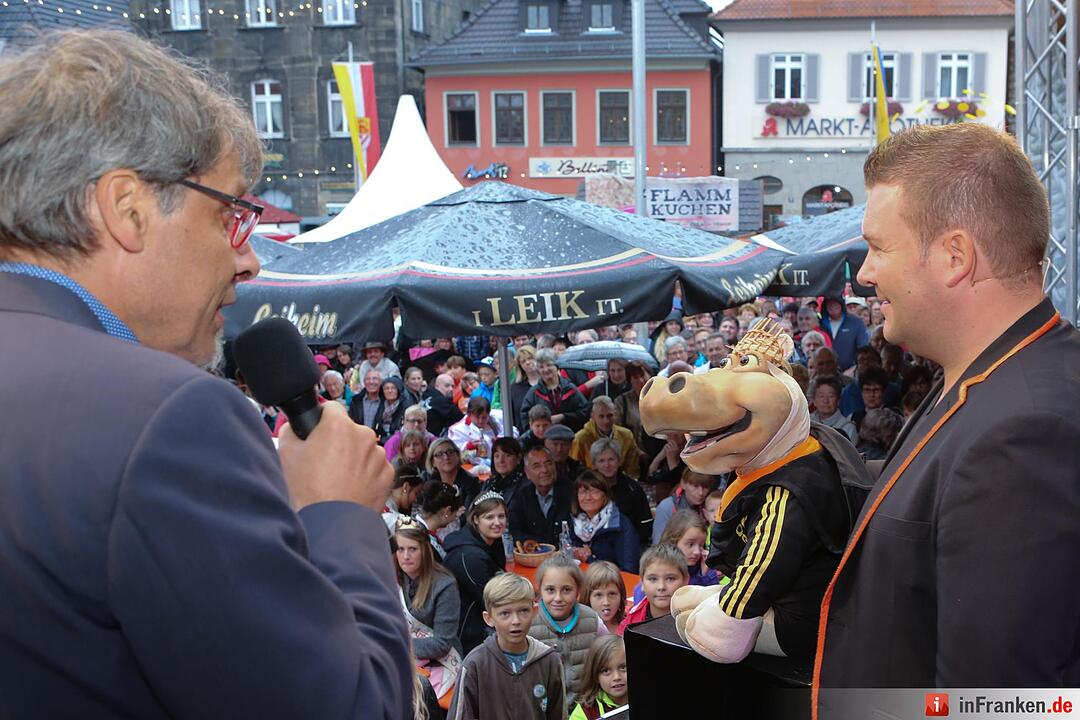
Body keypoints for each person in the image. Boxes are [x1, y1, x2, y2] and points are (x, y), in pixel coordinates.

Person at [0, 29, 409, 718]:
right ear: (127, 208)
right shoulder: (166, 417)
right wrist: (337, 514)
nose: (247, 262)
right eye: (228, 215)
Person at [816, 123, 1080, 704]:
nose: (864, 273)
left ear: (955, 256)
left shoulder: (1024, 432)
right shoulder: (988, 377)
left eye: (879, 247)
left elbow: (999, 706)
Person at [448, 573, 565, 720]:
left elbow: (558, 714)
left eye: (523, 611)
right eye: (505, 613)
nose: (516, 621)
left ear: (534, 611)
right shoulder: (475, 664)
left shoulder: (549, 661)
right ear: (489, 618)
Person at [393, 522, 463, 699]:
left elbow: (441, 645)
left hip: (440, 663)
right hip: (407, 657)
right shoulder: (394, 578)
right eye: (400, 549)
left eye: (413, 549)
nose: (406, 556)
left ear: (425, 550)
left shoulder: (445, 585)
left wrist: (397, 645)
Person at [528, 555, 604, 699]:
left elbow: (608, 657)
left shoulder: (593, 621)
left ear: (578, 590)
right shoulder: (529, 624)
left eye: (566, 590)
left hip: (585, 709)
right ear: (540, 590)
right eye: (550, 590)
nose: (558, 598)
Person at [443, 492, 509, 654]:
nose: (497, 523)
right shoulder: (469, 556)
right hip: (468, 635)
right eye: (489, 517)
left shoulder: (491, 540)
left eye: (501, 516)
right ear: (476, 519)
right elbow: (492, 600)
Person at [567, 471, 641, 573]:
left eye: (594, 491)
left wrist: (589, 559)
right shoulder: (576, 522)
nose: (588, 497)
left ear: (605, 496)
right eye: (583, 492)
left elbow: (629, 571)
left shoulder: (620, 525)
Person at [590, 438, 653, 546]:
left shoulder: (633, 488)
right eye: (601, 461)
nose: (607, 465)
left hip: (629, 545)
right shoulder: (587, 488)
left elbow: (645, 524)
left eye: (611, 459)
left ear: (619, 461)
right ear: (594, 465)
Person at [507, 445, 572, 546]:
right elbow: (513, 530)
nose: (545, 470)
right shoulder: (521, 495)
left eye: (549, 463)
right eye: (537, 466)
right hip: (532, 555)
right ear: (527, 473)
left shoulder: (571, 492)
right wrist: (533, 543)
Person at [618, 545, 688, 634]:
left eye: (670, 578)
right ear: (642, 582)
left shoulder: (695, 622)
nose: (661, 587)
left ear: (685, 580)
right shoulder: (630, 624)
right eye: (653, 579)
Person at [519, 349, 590, 432]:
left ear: (556, 366)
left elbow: (585, 412)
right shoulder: (534, 393)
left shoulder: (570, 389)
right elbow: (525, 418)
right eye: (541, 367)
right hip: (543, 440)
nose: (545, 369)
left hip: (569, 437)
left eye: (549, 365)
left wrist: (564, 417)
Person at [570, 395, 641, 479]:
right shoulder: (580, 439)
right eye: (601, 416)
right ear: (592, 416)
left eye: (610, 416)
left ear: (615, 414)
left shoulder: (626, 435)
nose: (606, 421)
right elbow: (574, 470)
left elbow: (632, 470)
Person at [422, 438, 481, 538]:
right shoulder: (428, 480)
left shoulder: (471, 482)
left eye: (450, 452)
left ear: (457, 455)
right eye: (439, 454)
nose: (446, 457)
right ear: (432, 462)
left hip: (461, 535)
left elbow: (467, 516)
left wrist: (439, 517)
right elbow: (424, 512)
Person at [569, 636, 628, 720]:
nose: (616, 677)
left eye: (623, 667)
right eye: (606, 671)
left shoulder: (647, 698)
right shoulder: (586, 711)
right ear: (596, 676)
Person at [651, 469, 714, 543]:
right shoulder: (666, 507)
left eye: (705, 487)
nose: (701, 492)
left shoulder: (710, 505)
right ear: (683, 484)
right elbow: (658, 543)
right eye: (695, 486)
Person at [447, 396, 502, 467]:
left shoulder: (496, 418)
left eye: (484, 417)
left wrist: (501, 439)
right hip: (474, 468)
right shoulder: (457, 430)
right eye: (477, 417)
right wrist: (467, 446)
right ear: (469, 414)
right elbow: (454, 452)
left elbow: (514, 431)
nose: (480, 421)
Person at [414, 480, 461, 560]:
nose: (455, 518)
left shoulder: (416, 527)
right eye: (455, 514)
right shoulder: (423, 540)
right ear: (447, 511)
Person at [819, 297, 869, 371]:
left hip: (852, 373)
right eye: (829, 302)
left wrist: (854, 368)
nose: (833, 305)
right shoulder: (820, 324)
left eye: (836, 302)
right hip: (825, 372)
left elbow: (864, 349)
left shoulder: (856, 322)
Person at [581, 561, 627, 635]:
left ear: (621, 596)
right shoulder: (580, 631)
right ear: (587, 597)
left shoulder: (629, 625)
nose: (606, 602)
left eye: (612, 594)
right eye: (598, 595)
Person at [809, 375, 857, 442]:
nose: (826, 401)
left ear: (838, 400)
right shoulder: (807, 422)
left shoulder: (847, 427)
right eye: (821, 396)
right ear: (814, 401)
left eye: (831, 396)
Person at [481, 436, 526, 506]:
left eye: (507, 455)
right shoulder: (489, 484)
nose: (501, 460)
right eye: (497, 456)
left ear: (518, 458)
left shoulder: (526, 486)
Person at [383, 464, 426, 531]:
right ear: (406, 487)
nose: (415, 499)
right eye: (416, 493)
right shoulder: (394, 519)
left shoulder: (382, 505)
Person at [420, 372, 463, 437]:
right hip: (433, 439)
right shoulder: (442, 401)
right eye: (447, 386)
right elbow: (461, 418)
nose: (451, 389)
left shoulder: (426, 395)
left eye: (452, 386)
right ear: (437, 386)